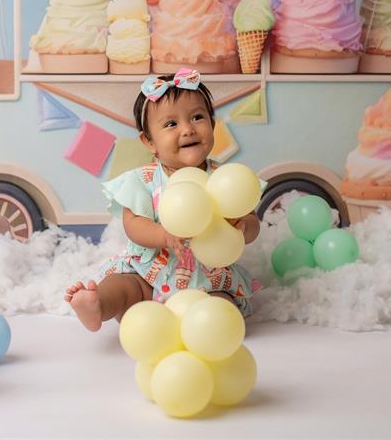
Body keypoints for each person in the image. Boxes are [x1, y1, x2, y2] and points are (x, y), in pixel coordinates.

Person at [65, 69, 261, 331]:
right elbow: (133, 224)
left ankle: (207, 327)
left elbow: (250, 220)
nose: (188, 129)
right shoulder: (143, 180)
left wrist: (244, 227)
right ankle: (97, 304)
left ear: (213, 125)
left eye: (198, 117)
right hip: (148, 275)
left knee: (221, 304)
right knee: (124, 287)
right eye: (171, 124)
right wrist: (163, 235)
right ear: (149, 142)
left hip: (209, 279)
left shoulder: (225, 180)